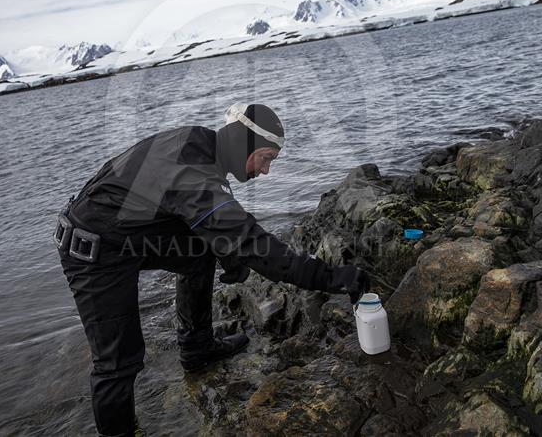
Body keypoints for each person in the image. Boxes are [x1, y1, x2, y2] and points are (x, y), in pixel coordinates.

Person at [56, 103, 371, 437]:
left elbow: (206, 222)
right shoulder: (196, 171)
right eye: (266, 158)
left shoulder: (201, 143)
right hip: (95, 250)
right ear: (245, 143)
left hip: (127, 232)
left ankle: (197, 349)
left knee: (199, 254)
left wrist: (229, 254)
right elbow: (254, 244)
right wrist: (333, 277)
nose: (266, 171)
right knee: (118, 361)